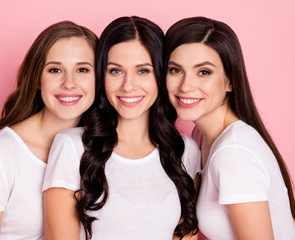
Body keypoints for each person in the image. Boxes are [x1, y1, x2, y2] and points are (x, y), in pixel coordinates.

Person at [43, 16, 200, 240]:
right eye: (115, 71)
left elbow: (186, 234)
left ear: (160, 74)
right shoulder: (72, 146)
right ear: (101, 75)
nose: (128, 86)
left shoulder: (185, 150)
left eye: (143, 71)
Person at [0, 21, 97, 240]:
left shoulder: (100, 147)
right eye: (55, 69)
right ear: (38, 79)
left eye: (82, 69)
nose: (69, 83)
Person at [165, 16, 295, 239]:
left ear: (230, 81)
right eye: (175, 70)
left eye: (204, 72)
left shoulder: (234, 154)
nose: (186, 85)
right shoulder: (200, 135)